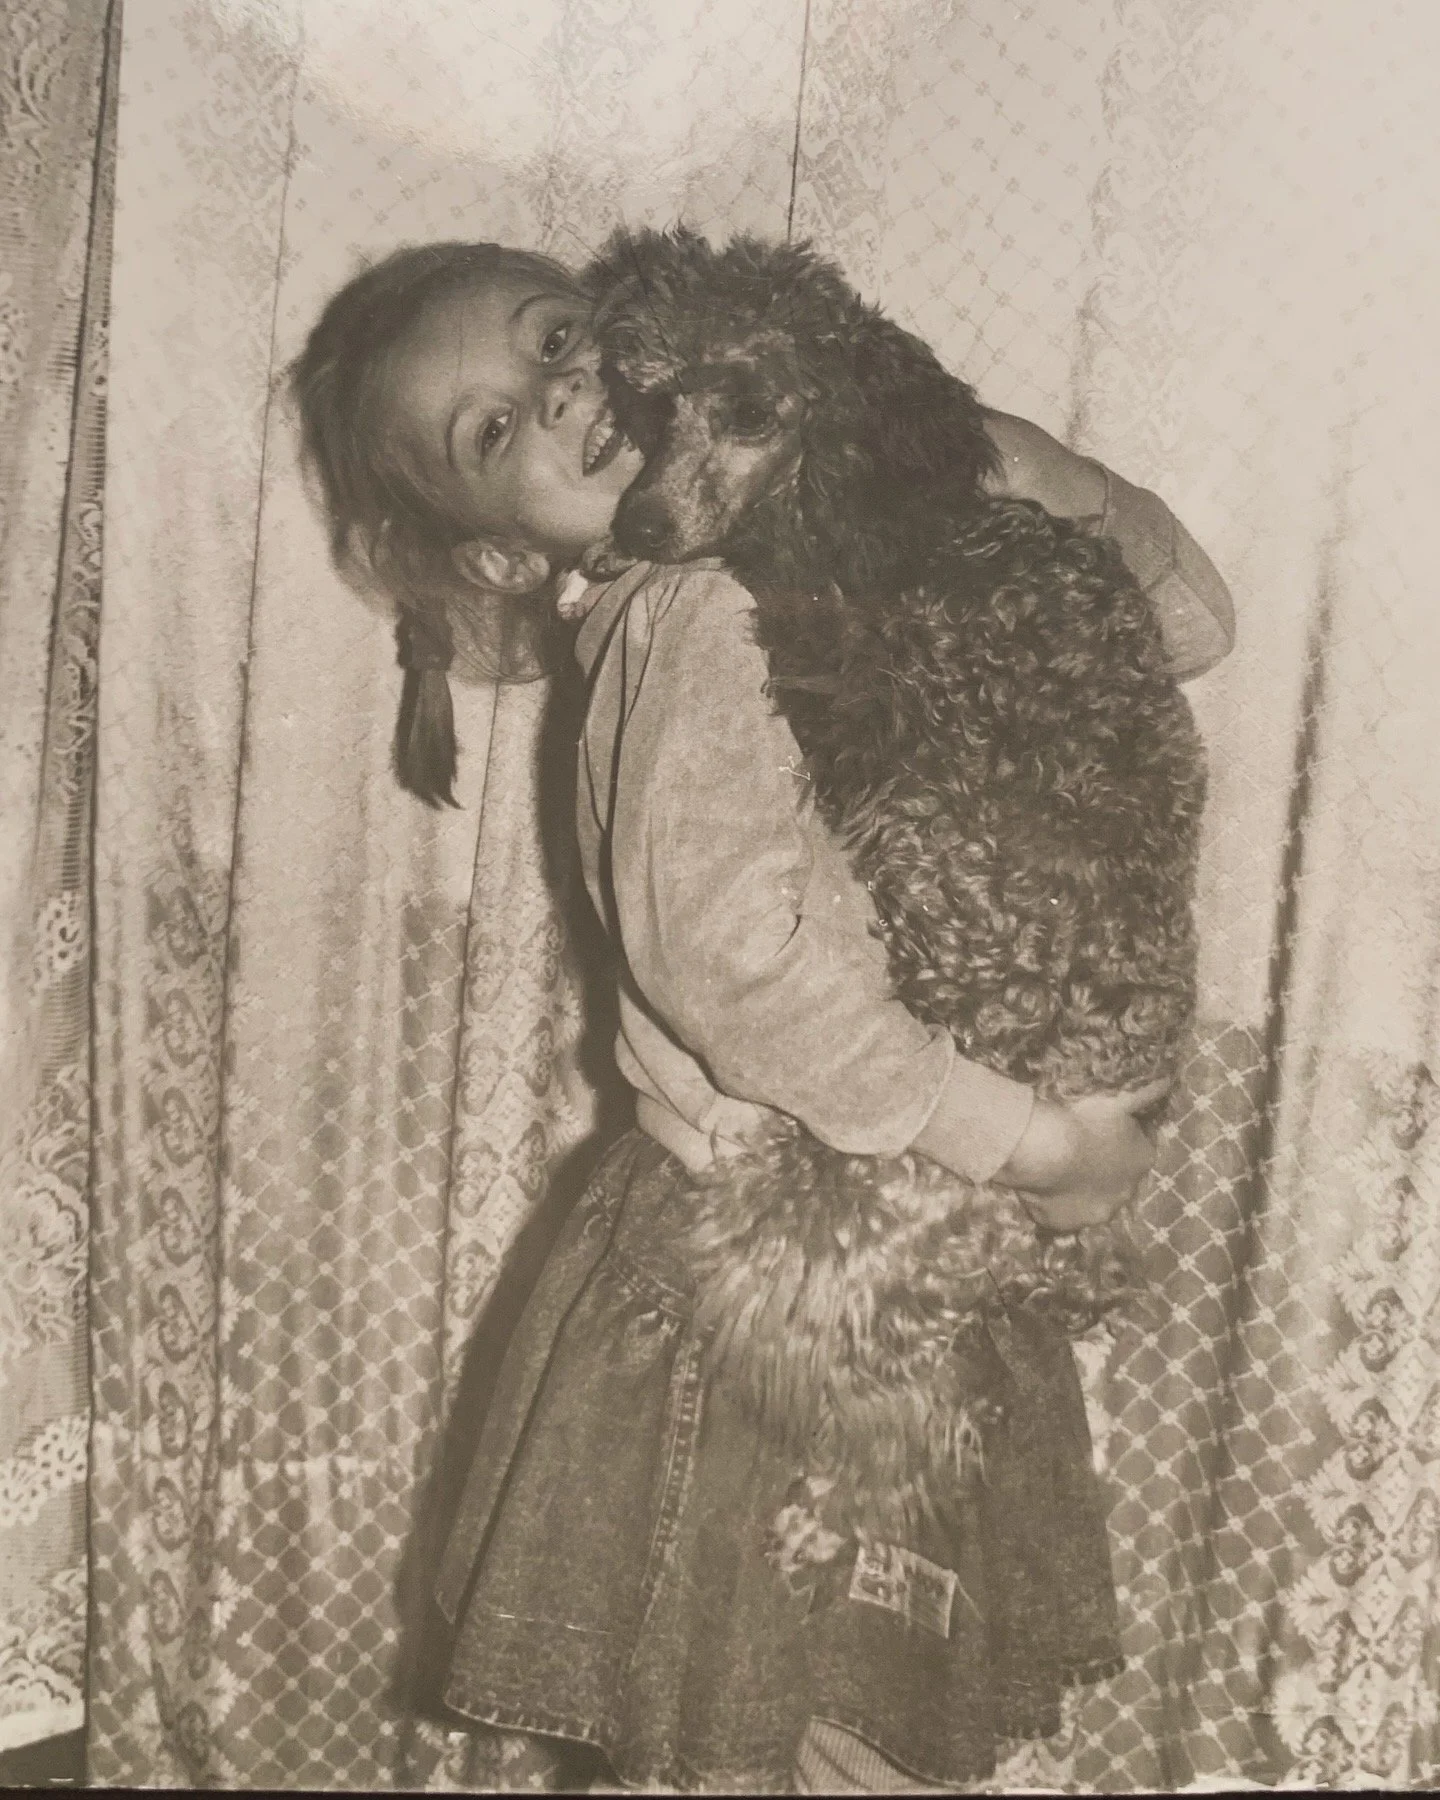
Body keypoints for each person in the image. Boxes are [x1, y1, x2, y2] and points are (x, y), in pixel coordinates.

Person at [292, 240, 1235, 1794]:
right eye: (494, 430)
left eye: (561, 340)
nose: (558, 394)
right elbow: (735, 963)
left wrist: (973, 449)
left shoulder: (799, 567)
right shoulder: (697, 617)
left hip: (874, 1250)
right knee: (778, 1734)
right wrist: (1036, 1146)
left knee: (845, 1729)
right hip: (780, 1282)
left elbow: (1177, 620)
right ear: (502, 559)